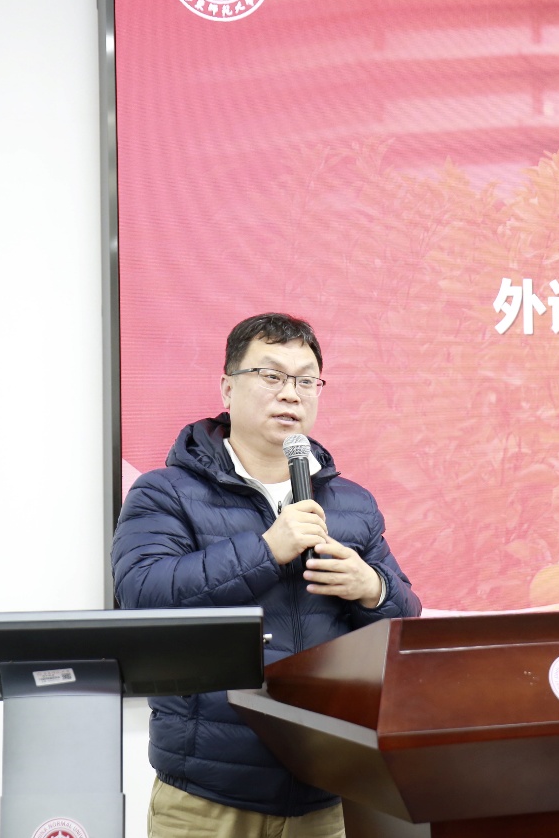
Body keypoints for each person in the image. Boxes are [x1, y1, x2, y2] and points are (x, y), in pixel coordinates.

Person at [112, 312, 421, 838]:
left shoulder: (351, 503)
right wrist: (266, 550)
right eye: (271, 376)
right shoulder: (167, 492)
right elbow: (141, 593)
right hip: (208, 797)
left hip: (328, 790)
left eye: (306, 380)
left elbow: (405, 620)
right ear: (228, 389)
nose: (290, 394)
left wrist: (373, 589)